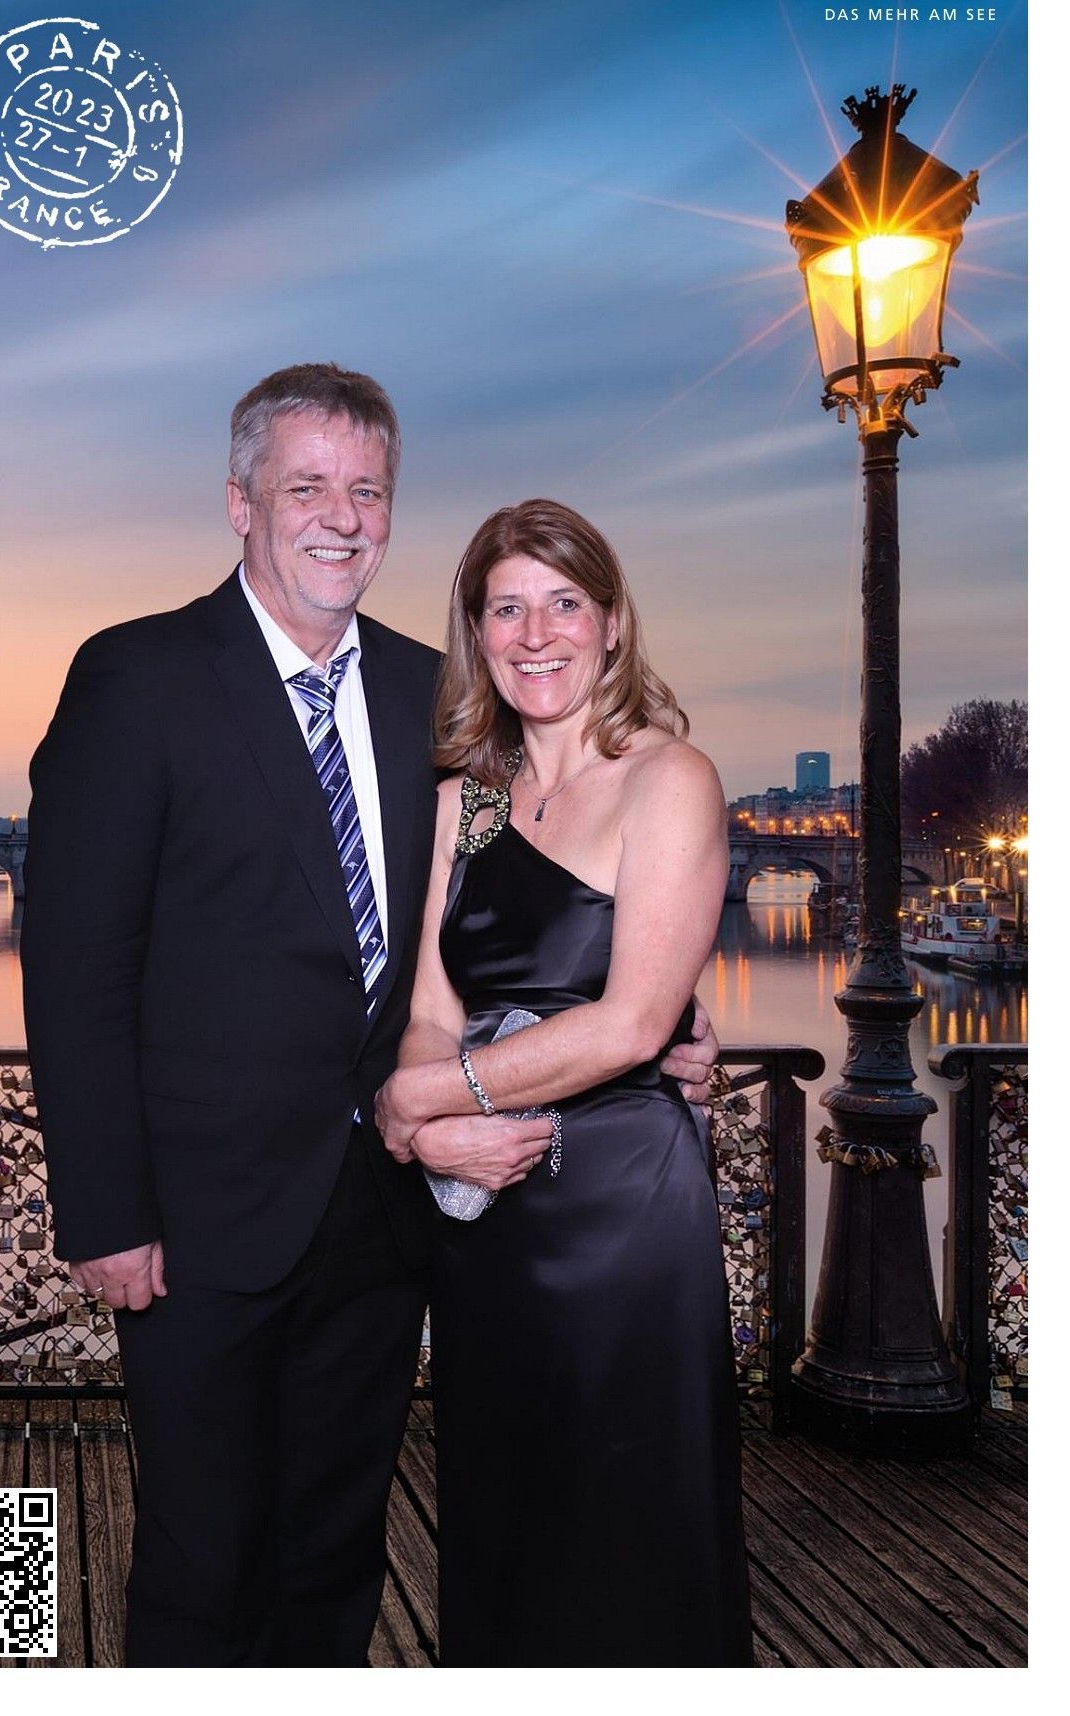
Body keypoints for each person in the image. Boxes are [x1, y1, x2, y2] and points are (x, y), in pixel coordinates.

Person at [20, 364, 721, 1668]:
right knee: (198, 1552)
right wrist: (104, 1210)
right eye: (307, 488)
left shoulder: (435, 698)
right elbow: (75, 969)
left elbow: (515, 911)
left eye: (368, 490)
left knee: (335, 1552)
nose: (341, 517)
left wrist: (671, 1018)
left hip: (392, 1217)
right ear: (241, 502)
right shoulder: (137, 676)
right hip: (203, 1217)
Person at [375, 499, 753, 1667]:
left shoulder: (667, 777)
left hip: (620, 1210)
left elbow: (633, 1022)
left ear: (612, 621)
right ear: (476, 632)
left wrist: (421, 1103)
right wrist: (435, 1128)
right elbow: (430, 1006)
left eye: (563, 603)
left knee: (630, 1510)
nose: (535, 633)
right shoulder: (465, 800)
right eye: (506, 608)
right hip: (489, 1212)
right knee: (504, 1505)